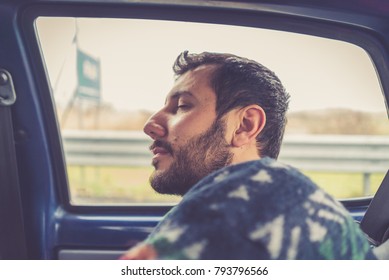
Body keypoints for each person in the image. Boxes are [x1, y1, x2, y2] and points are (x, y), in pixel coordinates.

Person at [121, 51, 375, 260]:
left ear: (244, 125)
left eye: (182, 106)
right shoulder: (282, 204)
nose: (150, 124)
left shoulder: (240, 212)